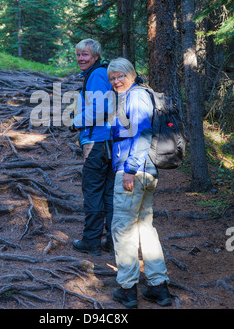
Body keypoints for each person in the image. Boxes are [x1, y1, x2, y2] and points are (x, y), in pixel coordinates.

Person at [107, 57, 171, 308]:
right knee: (144, 228)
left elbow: (143, 133)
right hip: (147, 173)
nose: (116, 81)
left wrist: (130, 170)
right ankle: (158, 287)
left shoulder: (136, 96)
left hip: (134, 172)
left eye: (120, 76)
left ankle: (127, 289)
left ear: (132, 75)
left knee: (122, 229)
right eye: (112, 78)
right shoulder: (138, 95)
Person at [72, 39, 115, 256]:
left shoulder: (97, 74)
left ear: (95, 56)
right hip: (109, 142)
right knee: (108, 194)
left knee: (93, 191)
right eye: (79, 54)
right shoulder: (100, 73)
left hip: (97, 143)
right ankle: (112, 241)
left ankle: (91, 241)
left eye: (85, 55)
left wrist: (76, 122)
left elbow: (99, 109)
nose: (81, 58)